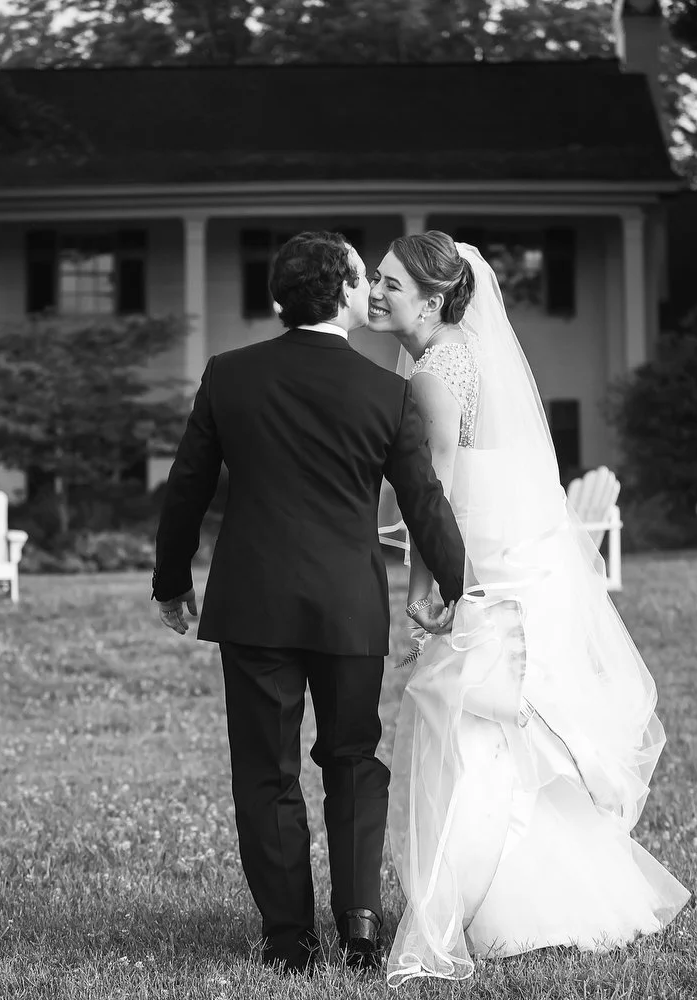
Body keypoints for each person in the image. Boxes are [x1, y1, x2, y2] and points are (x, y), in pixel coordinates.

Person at [366, 231, 690, 986]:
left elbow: (431, 495)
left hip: (480, 581)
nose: (375, 294)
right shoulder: (461, 358)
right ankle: (544, 902)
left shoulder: (437, 372)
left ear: (434, 297)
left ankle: (477, 910)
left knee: (474, 741)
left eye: (388, 283)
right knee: (505, 744)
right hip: (508, 567)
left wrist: (421, 594)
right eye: (375, 280)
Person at [151, 231, 466, 975]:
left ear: (279, 300)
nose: (371, 292)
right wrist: (459, 585)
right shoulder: (384, 391)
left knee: (266, 772)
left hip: (253, 605)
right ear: (349, 293)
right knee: (354, 760)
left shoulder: (229, 375)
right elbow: (424, 501)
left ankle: (287, 941)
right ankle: (359, 928)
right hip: (349, 608)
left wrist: (172, 581)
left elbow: (186, 488)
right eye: (366, 281)